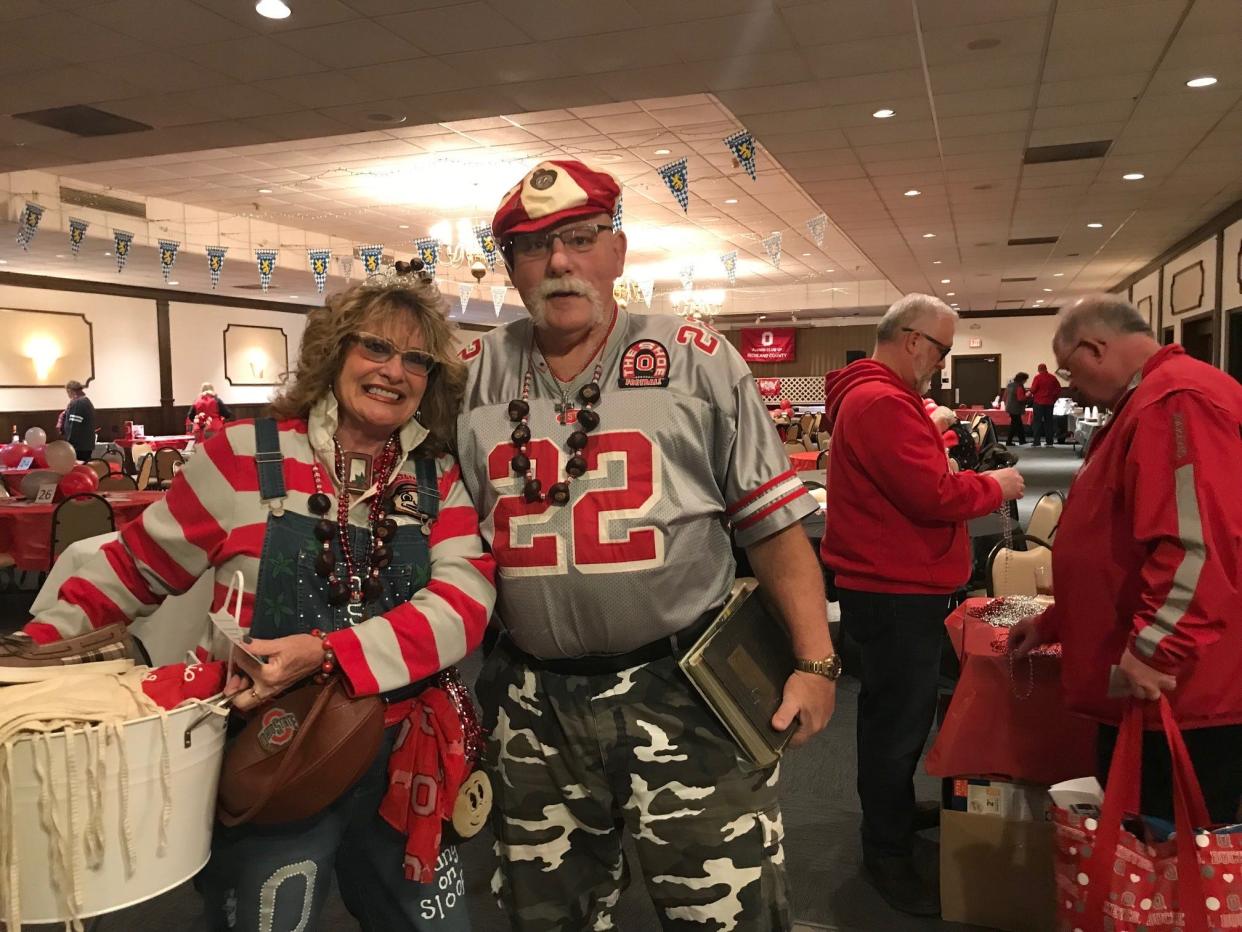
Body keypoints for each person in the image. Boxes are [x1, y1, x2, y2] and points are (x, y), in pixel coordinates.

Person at [7, 272, 497, 931]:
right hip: (272, 757)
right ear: (335, 351)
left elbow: (463, 606)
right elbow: (129, 571)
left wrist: (328, 652)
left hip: (407, 765)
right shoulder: (240, 457)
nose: (394, 371)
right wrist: (26, 658)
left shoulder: (439, 479)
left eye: (417, 359)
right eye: (375, 347)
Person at [455, 159, 838, 931]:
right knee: (546, 916)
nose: (559, 261)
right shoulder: (471, 375)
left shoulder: (695, 356)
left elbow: (771, 526)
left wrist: (816, 661)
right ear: (509, 269)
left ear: (618, 251)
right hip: (533, 705)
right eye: (533, 247)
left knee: (725, 914)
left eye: (580, 238)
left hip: (685, 688)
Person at [820, 294, 1025, 916]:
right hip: (894, 589)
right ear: (913, 341)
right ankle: (884, 850)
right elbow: (931, 494)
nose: (940, 363)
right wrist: (996, 486)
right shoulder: (881, 400)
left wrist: (927, 428)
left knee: (897, 715)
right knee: (895, 723)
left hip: (894, 585)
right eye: (941, 349)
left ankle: (893, 819)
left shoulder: (875, 396)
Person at [1010, 294, 1242, 824]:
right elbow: (1119, 548)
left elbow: (1197, 545)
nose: (1069, 386)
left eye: (1070, 370)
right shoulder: (1152, 399)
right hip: (1160, 685)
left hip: (1182, 692)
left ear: (1095, 348)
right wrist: (1057, 621)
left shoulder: (1175, 400)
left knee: (1170, 867)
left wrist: (1157, 648)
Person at [61, 379, 96, 461]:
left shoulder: (78, 403)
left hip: (79, 445)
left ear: (70, 391)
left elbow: (74, 425)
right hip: (86, 444)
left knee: (78, 468)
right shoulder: (86, 401)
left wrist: (69, 443)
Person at [1029, 363, 1062, 447]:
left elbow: (1033, 389)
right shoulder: (1053, 378)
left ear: (1039, 369)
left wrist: (1029, 393)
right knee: (1049, 422)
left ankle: (1037, 442)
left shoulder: (1038, 377)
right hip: (1049, 403)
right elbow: (1058, 389)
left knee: (1037, 422)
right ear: (1046, 368)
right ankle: (1049, 442)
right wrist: (1053, 399)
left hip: (1038, 403)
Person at [1002, 371, 1030, 445]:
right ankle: (1009, 441)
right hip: (1016, 408)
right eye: (1025, 380)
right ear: (1022, 379)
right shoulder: (1019, 386)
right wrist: (1027, 395)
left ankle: (1022, 440)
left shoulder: (1009, 385)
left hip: (1009, 407)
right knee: (1014, 425)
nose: (1026, 381)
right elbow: (1020, 398)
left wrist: (1006, 404)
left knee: (1018, 424)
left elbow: (1004, 397)